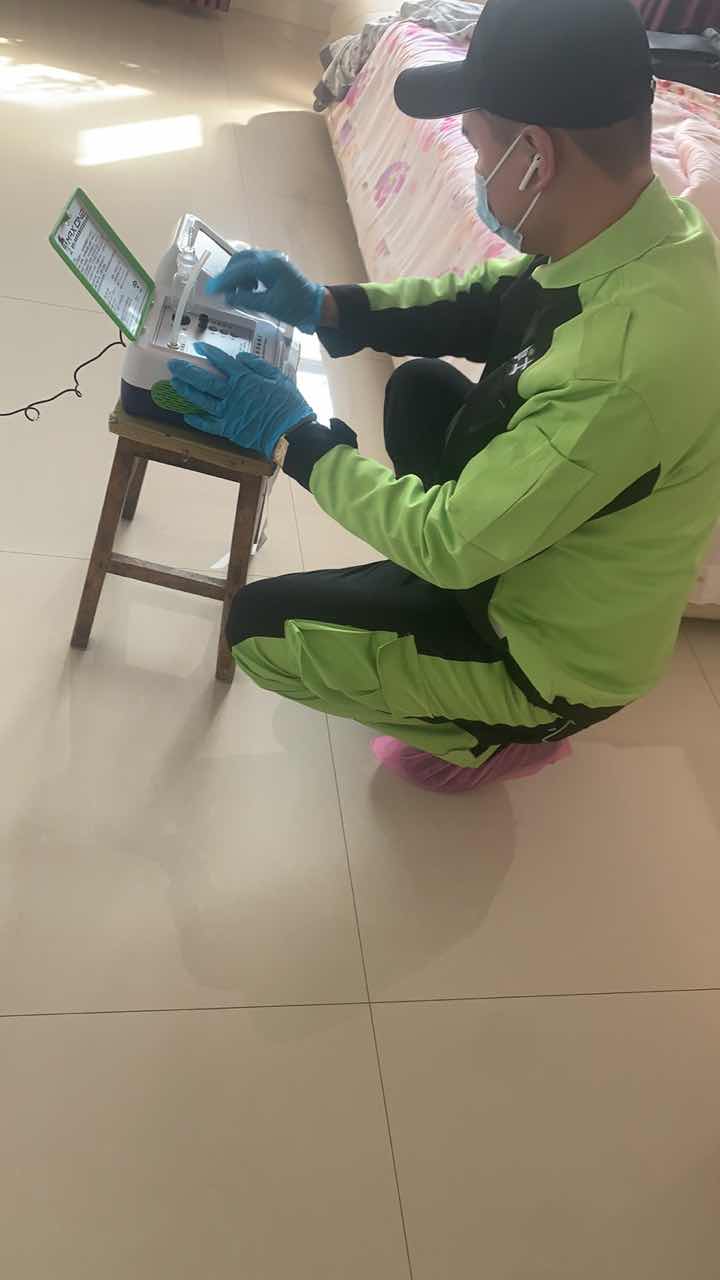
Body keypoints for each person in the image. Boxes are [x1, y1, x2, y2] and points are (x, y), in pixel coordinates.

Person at [169, 0, 720, 794]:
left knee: (258, 631)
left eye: (476, 144)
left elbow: (447, 541)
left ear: (534, 157)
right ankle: (439, 622)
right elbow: (489, 303)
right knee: (419, 389)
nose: (477, 170)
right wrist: (328, 307)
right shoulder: (644, 232)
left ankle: (494, 736)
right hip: (535, 548)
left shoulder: (625, 367)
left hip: (545, 658)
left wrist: (294, 436)